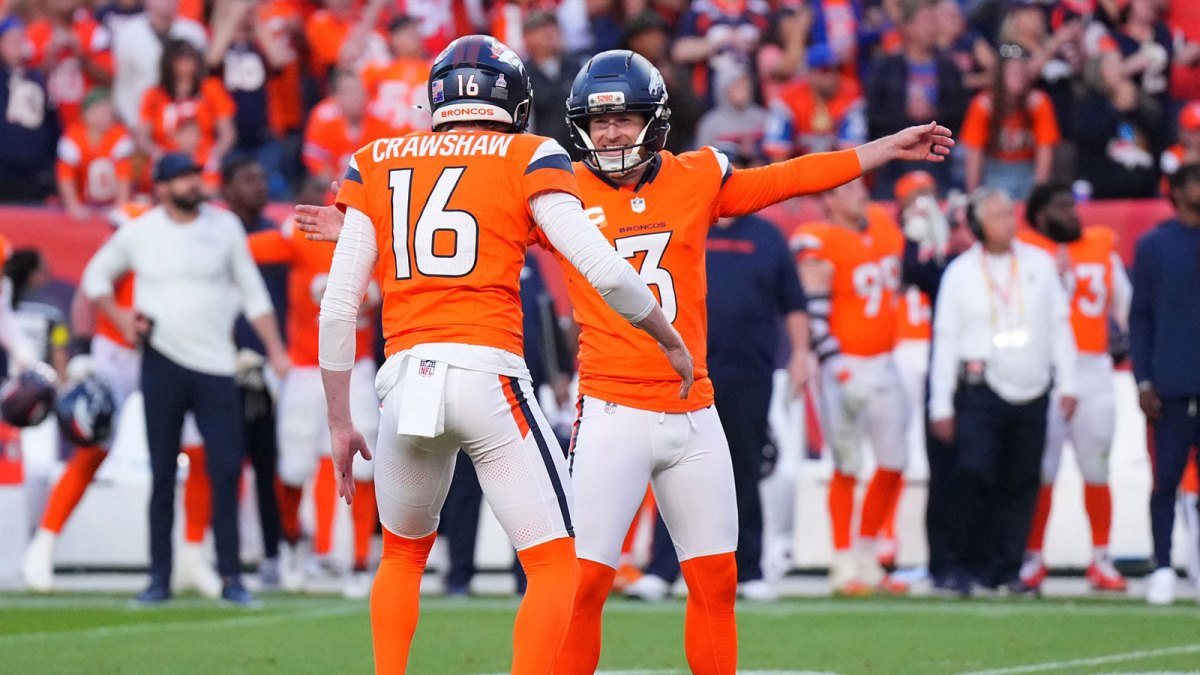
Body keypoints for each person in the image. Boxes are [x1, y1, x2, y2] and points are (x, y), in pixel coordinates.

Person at [314, 35, 689, 674]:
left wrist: (340, 421)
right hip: (488, 373)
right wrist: (669, 337)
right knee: (553, 561)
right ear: (512, 100)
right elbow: (605, 270)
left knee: (401, 557)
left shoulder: (375, 158)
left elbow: (338, 308)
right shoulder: (527, 153)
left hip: (407, 377)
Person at [81, 153, 290, 605]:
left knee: (226, 469)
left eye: (195, 175)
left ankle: (232, 575)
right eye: (182, 178)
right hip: (162, 360)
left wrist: (275, 349)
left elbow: (253, 293)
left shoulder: (224, 227)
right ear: (160, 187)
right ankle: (159, 576)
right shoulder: (141, 232)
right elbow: (96, 276)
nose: (194, 184)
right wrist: (121, 318)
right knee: (161, 473)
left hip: (217, 362)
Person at [21, 202, 217, 596]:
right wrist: (81, 351)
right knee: (93, 448)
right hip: (116, 352)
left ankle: (193, 554)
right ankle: (43, 543)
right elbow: (87, 296)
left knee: (198, 450)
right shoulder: (120, 253)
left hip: (171, 352)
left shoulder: (179, 249)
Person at [625, 205, 811, 603]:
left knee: (744, 466)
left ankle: (749, 568)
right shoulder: (684, 226)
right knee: (673, 465)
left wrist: (800, 353)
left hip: (749, 370)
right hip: (685, 369)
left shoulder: (767, 235)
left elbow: (793, 302)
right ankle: (662, 569)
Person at [929, 187, 1077, 595]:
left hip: (1033, 385)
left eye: (1010, 214)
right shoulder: (960, 272)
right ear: (977, 225)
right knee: (972, 473)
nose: (1008, 222)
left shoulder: (1041, 264)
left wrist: (1069, 380)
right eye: (996, 216)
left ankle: (1007, 568)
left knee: (1023, 479)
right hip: (979, 386)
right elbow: (944, 337)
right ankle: (961, 564)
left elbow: (1060, 324)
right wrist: (939, 401)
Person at [245, 177, 380, 599]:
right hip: (306, 366)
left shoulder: (381, 232)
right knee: (293, 467)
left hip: (356, 365)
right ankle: (291, 545)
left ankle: (359, 560)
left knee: (364, 465)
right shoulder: (301, 234)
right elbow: (246, 252)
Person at [793, 180, 909, 596]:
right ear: (828, 199)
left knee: (895, 461)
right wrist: (838, 366)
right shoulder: (816, 240)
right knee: (846, 463)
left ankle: (867, 553)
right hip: (841, 364)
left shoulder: (882, 223)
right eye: (851, 189)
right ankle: (843, 561)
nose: (862, 194)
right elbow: (813, 312)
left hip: (885, 360)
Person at [1016, 182, 1131, 593]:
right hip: (1045, 371)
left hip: (1094, 368)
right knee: (1041, 469)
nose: (1072, 213)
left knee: (1096, 466)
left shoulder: (1101, 246)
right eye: (1061, 206)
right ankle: (1032, 557)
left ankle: (1101, 557)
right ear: (1040, 213)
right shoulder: (1026, 251)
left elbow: (1126, 306)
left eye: (1071, 204)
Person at [1131, 163, 1200, 606]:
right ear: (1175, 190)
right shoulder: (1154, 245)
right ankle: (1161, 567)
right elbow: (1140, 317)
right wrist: (1143, 378)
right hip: (1170, 383)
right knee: (1165, 482)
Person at [219, 158, 289, 591]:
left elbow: (282, 301)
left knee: (269, 464)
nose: (259, 185)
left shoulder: (273, 234)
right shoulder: (213, 233)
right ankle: (219, 552)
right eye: (248, 178)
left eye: (263, 176)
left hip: (267, 365)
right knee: (223, 465)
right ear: (226, 188)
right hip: (216, 362)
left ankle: (272, 553)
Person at [960, 47, 1059, 200]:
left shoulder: (1039, 102)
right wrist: (974, 196)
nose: (1017, 77)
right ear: (1000, 75)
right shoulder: (983, 104)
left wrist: (1039, 196)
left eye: (1021, 72)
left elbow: (1045, 151)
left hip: (1028, 169)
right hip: (994, 169)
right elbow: (974, 153)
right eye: (1012, 72)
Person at [56, 88, 134, 218]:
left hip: (111, 202)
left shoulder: (119, 135)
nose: (104, 113)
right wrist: (73, 206)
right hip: (83, 202)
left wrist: (120, 206)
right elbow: (65, 175)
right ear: (86, 113)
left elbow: (124, 174)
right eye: (99, 109)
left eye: (107, 109)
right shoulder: (73, 136)